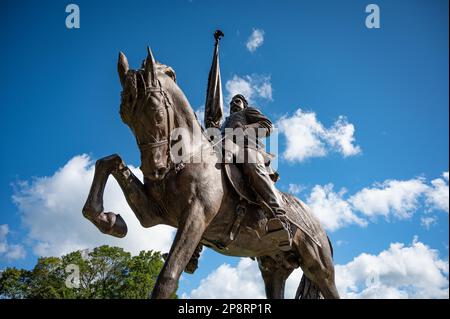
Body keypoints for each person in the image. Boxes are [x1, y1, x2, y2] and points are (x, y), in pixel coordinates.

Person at [221, 94, 292, 250]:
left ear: (245, 104)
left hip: (247, 148)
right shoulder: (223, 123)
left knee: (251, 163)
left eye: (237, 101)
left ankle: (278, 215)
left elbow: (267, 126)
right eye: (231, 102)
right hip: (225, 152)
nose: (233, 103)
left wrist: (245, 128)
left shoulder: (247, 112)